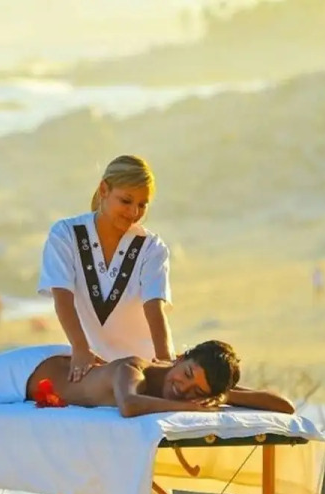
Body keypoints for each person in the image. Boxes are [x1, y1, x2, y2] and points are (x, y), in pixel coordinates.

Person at [38, 154, 174, 383]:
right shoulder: (65, 234)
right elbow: (62, 298)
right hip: (92, 368)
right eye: (126, 201)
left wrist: (165, 363)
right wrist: (80, 349)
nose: (134, 212)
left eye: (142, 205)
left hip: (143, 369)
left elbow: (154, 308)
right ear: (104, 189)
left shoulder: (151, 247)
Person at [26, 339, 294, 417]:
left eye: (197, 391)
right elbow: (129, 405)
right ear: (180, 358)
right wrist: (190, 407)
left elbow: (285, 406)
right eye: (187, 374)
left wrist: (223, 396)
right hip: (27, 371)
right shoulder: (133, 369)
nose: (183, 388)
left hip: (46, 378)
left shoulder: (196, 388)